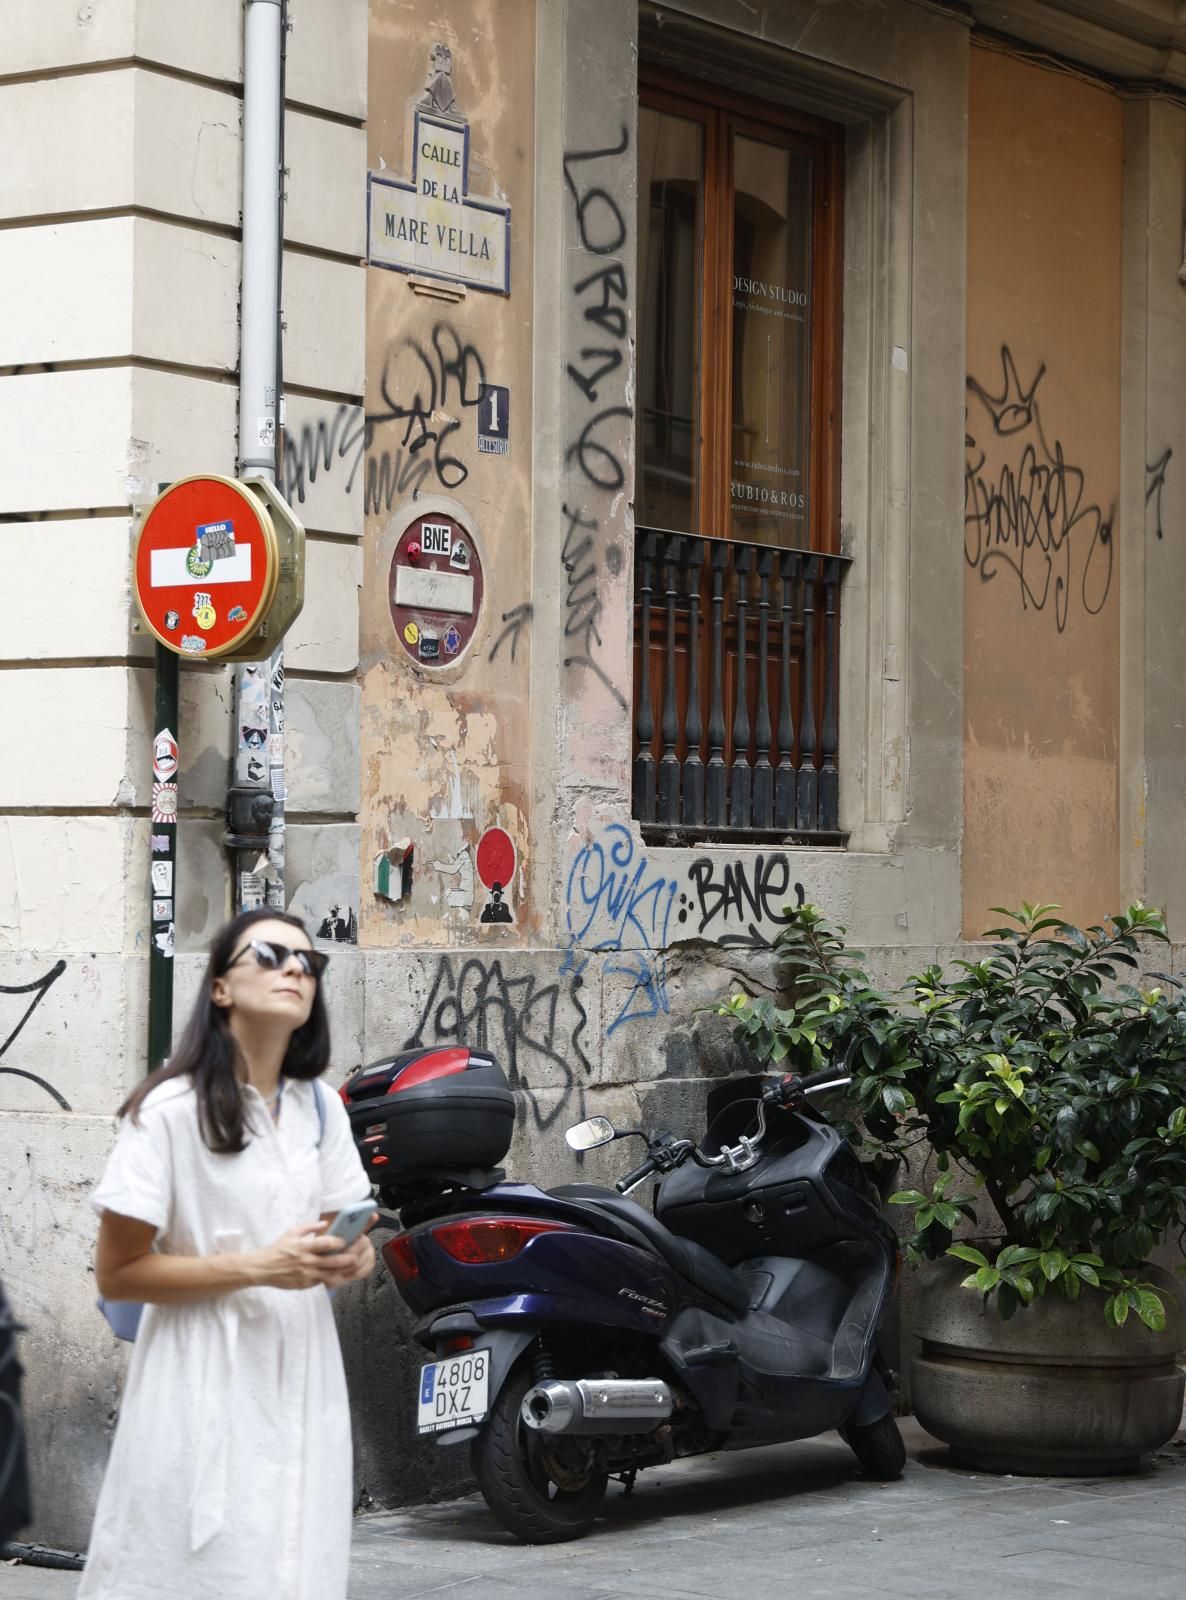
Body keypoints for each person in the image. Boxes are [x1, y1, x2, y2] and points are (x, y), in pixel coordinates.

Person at [78, 909, 376, 1600]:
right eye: (271, 954)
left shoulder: (322, 1109)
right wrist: (259, 1267)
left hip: (301, 1372)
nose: (297, 969)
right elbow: (118, 1272)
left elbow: (340, 1229)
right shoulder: (167, 1112)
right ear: (219, 988)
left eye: (310, 962)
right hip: (197, 1374)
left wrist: (349, 1257)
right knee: (191, 1569)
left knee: (294, 1565)